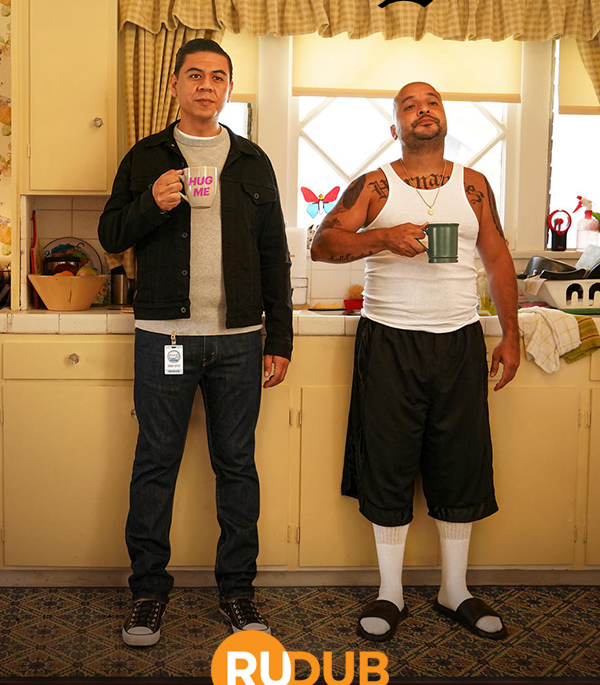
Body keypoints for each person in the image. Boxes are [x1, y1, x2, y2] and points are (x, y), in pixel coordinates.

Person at [98, 38, 292, 646]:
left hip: (239, 340)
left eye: (218, 77)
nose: (207, 85)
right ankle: (147, 594)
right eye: (195, 75)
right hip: (164, 337)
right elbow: (110, 235)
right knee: (155, 463)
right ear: (176, 84)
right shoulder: (144, 156)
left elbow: (274, 255)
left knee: (236, 467)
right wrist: (151, 205)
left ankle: (237, 592)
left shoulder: (253, 161)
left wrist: (281, 338)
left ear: (228, 88)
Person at [311, 81, 519, 642]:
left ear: (444, 117)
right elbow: (322, 245)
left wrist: (512, 333)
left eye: (432, 103)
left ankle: (455, 589)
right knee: (387, 462)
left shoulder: (475, 185)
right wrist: (381, 238)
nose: (423, 110)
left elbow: (498, 258)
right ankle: (390, 592)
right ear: (395, 127)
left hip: (459, 339)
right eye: (409, 105)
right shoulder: (374, 185)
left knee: (460, 462)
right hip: (389, 341)